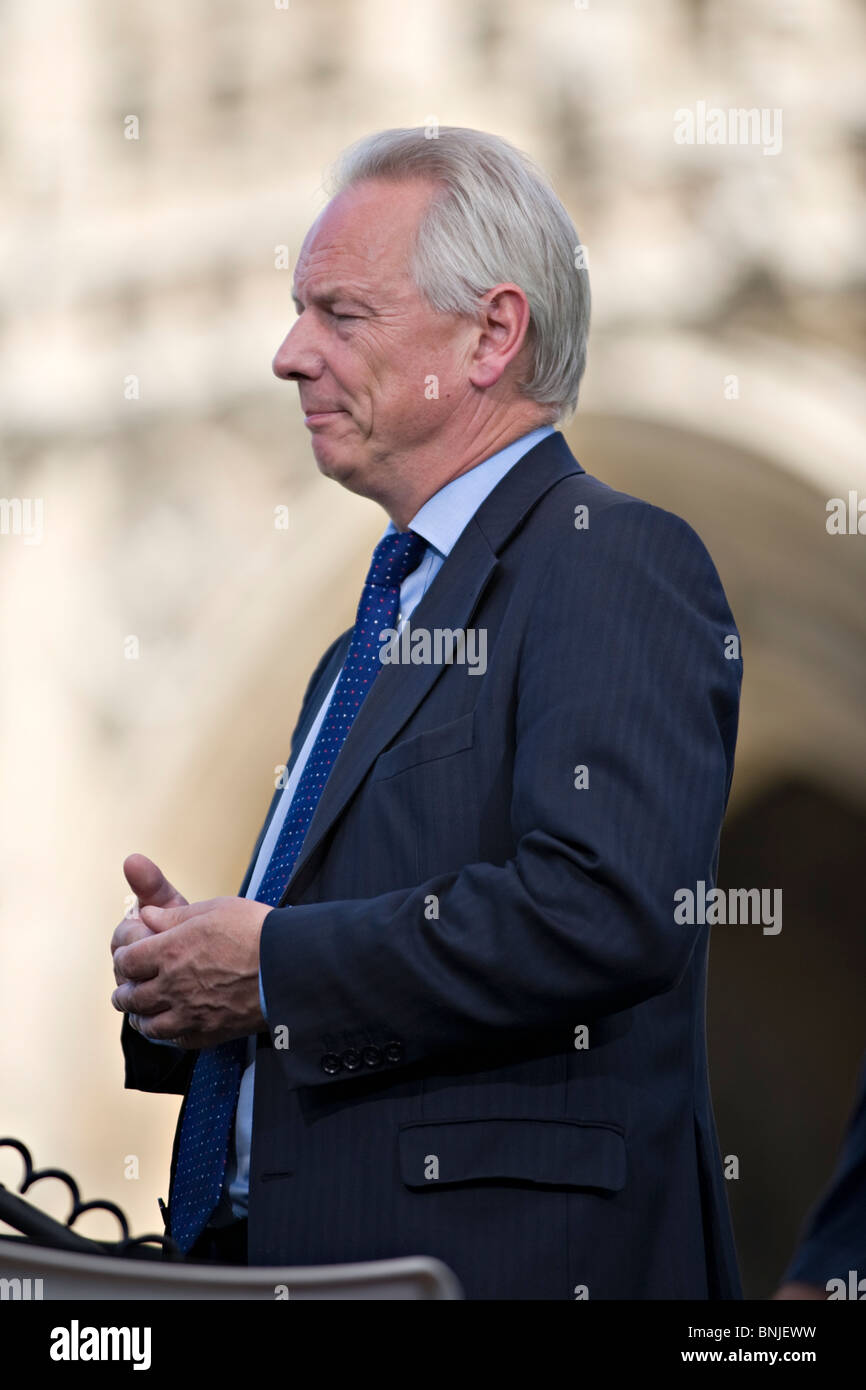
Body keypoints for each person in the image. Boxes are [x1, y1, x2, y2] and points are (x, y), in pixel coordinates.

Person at [110, 126, 743, 1300]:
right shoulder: (363, 641)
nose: (288, 355)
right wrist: (183, 980)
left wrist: (272, 966)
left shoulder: (608, 561)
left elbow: (603, 905)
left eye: (340, 315)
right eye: (299, 312)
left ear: (490, 335)